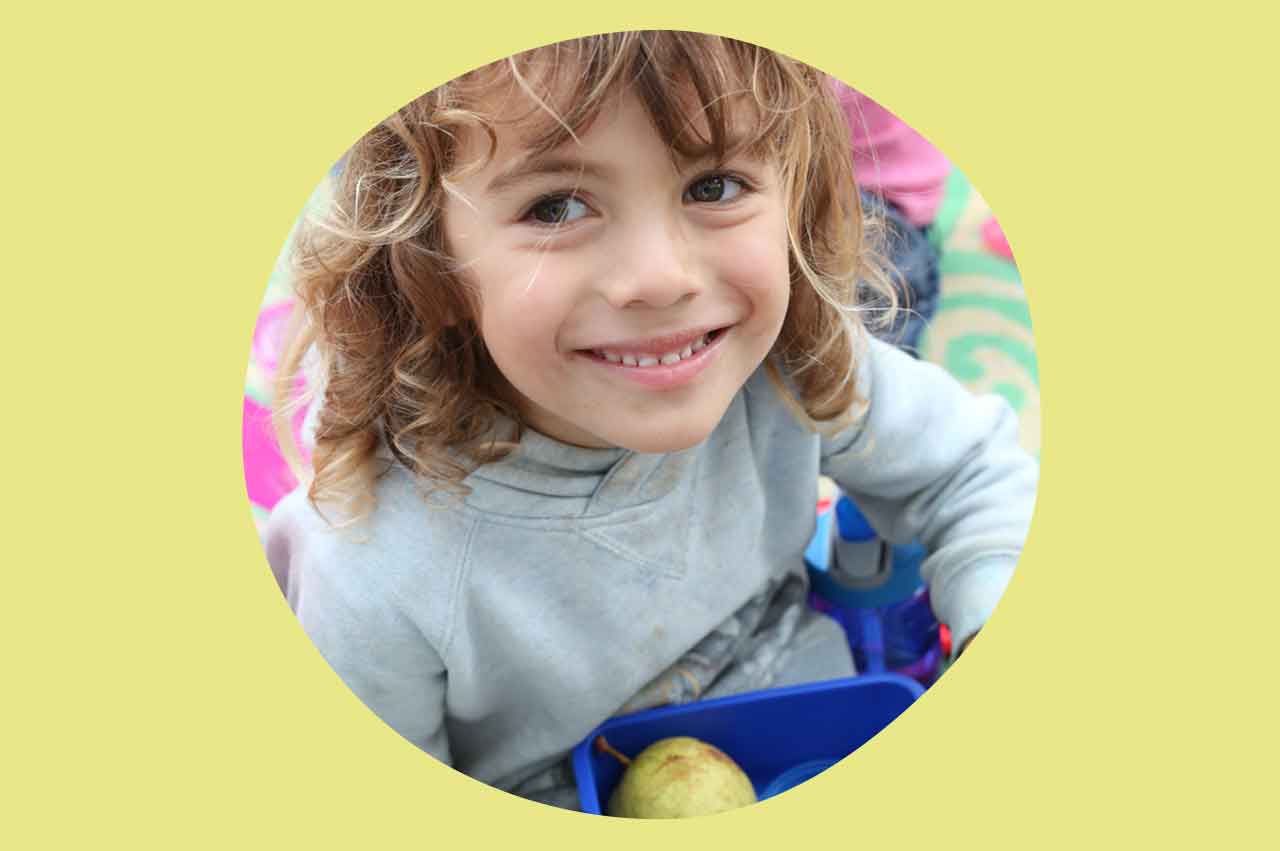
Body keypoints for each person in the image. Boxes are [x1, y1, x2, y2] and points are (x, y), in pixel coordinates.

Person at [265, 31, 1037, 811]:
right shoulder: (374, 560)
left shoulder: (791, 366)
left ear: (795, 194)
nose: (661, 279)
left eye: (714, 187)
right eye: (557, 206)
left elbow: (974, 474)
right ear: (427, 259)